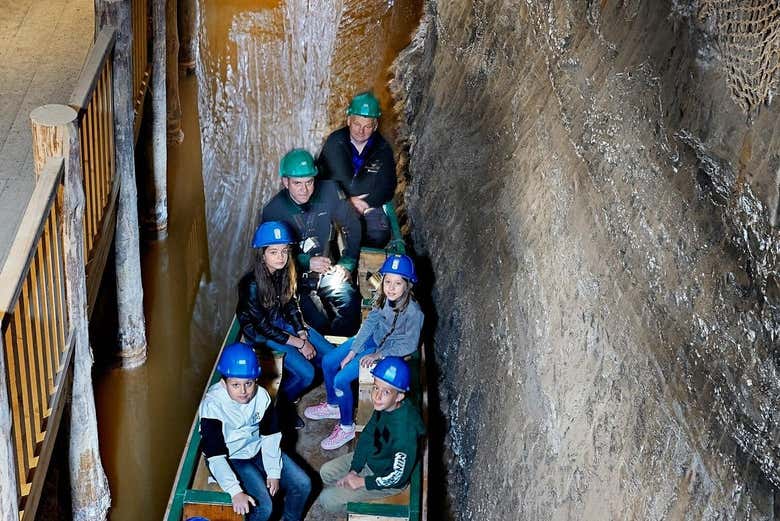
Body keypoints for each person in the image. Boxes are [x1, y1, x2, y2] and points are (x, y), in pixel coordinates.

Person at [304, 254, 423, 449]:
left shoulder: (414, 313)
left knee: (341, 380)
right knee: (328, 361)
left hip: (384, 350)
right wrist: (353, 351)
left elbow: (410, 345)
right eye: (388, 281)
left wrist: (378, 355)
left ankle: (346, 426)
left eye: (398, 283)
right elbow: (369, 323)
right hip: (370, 339)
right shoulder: (383, 297)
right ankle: (334, 405)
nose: (391, 288)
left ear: (407, 285)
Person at [236, 221, 335, 427]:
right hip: (263, 335)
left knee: (331, 355)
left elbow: (291, 304)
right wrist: (300, 344)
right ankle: (280, 407)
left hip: (284, 324)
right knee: (306, 374)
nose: (280, 257)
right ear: (262, 254)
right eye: (274, 252)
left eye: (284, 251)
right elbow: (263, 328)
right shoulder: (250, 284)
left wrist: (302, 332)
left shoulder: (284, 271)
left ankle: (334, 402)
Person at [198, 342, 312, 521]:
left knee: (303, 484)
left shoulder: (262, 396)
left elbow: (271, 436)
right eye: (235, 385)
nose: (243, 391)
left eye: (248, 384)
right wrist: (235, 491)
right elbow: (215, 456)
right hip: (232, 458)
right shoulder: (212, 406)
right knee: (264, 507)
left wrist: (273, 472)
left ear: (256, 380)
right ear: (223, 382)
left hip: (257, 449)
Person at [261, 148, 362, 337]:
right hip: (292, 279)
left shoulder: (329, 192)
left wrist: (347, 263)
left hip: (328, 271)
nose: (304, 190)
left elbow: (353, 226)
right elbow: (268, 259)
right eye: (297, 183)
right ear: (285, 182)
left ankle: (340, 358)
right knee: (316, 324)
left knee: (351, 306)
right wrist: (306, 262)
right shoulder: (273, 212)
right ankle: (322, 356)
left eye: (309, 182)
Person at [317, 357, 425, 513]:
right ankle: (345, 491)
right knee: (326, 472)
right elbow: (368, 436)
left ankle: (351, 504)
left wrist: (362, 482)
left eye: (386, 391)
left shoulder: (405, 433)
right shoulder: (386, 407)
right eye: (376, 387)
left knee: (327, 499)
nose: (377, 396)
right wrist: (354, 469)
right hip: (374, 459)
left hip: (388, 481)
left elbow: (396, 477)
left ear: (399, 396)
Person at [317, 92, 396, 248]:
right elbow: (320, 178)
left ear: (375, 126)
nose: (361, 131)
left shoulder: (383, 149)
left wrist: (366, 203)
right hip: (336, 203)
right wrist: (346, 200)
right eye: (357, 124)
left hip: (369, 206)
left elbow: (388, 186)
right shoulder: (335, 142)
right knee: (325, 233)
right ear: (348, 121)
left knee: (379, 234)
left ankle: (364, 262)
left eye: (367, 126)